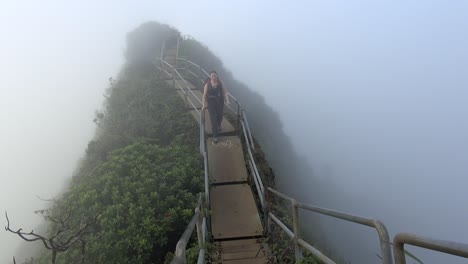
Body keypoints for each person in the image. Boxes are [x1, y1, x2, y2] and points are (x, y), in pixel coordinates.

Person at [202, 71, 230, 143]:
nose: (213, 77)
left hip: (220, 102)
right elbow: (204, 95)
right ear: (210, 77)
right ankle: (215, 136)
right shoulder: (207, 84)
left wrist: (227, 100)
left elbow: (225, 92)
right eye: (212, 76)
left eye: (214, 76)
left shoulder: (220, 83)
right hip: (211, 103)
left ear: (217, 76)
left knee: (220, 116)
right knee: (213, 119)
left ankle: (219, 125)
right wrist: (204, 105)